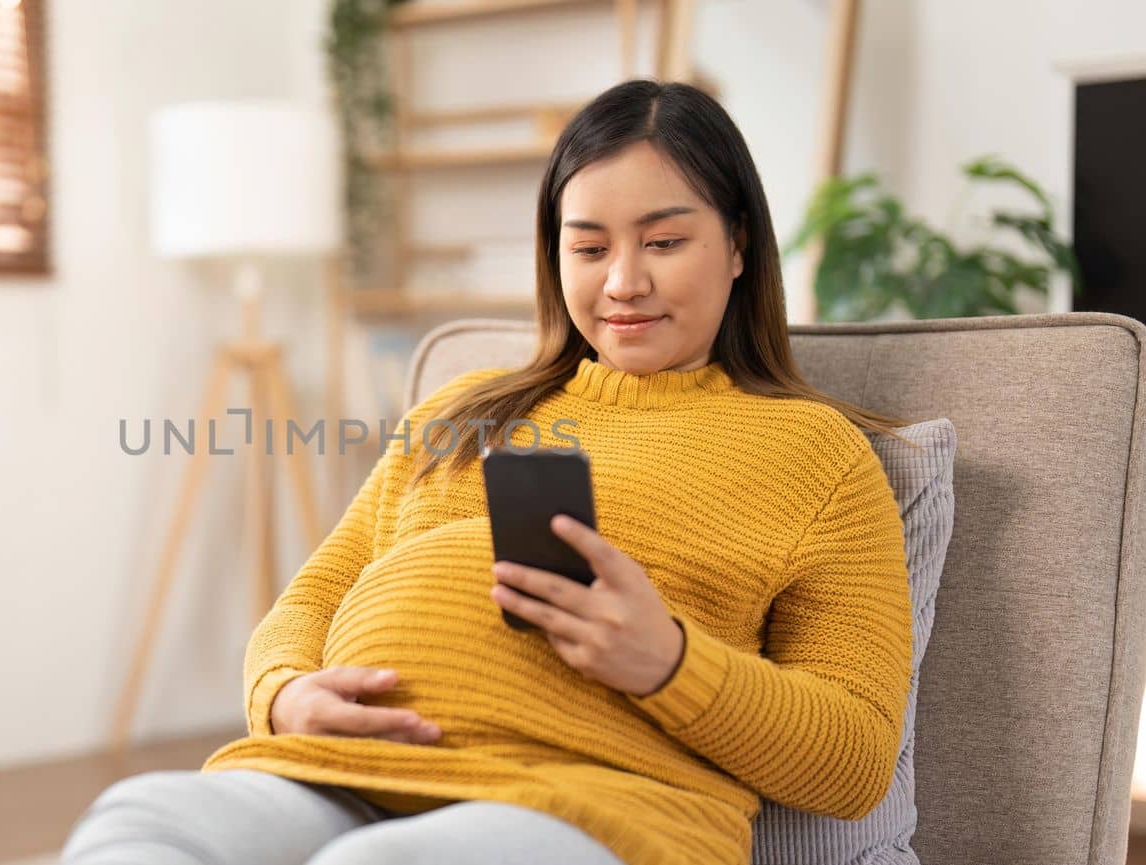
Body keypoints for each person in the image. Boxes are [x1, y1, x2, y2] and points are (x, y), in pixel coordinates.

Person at [61, 78, 922, 865]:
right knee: (140, 819)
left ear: (737, 244)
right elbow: (312, 599)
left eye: (663, 240)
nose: (624, 282)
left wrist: (667, 661)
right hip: (337, 775)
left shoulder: (815, 455)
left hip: (597, 806)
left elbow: (854, 759)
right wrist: (283, 696)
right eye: (588, 249)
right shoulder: (463, 409)